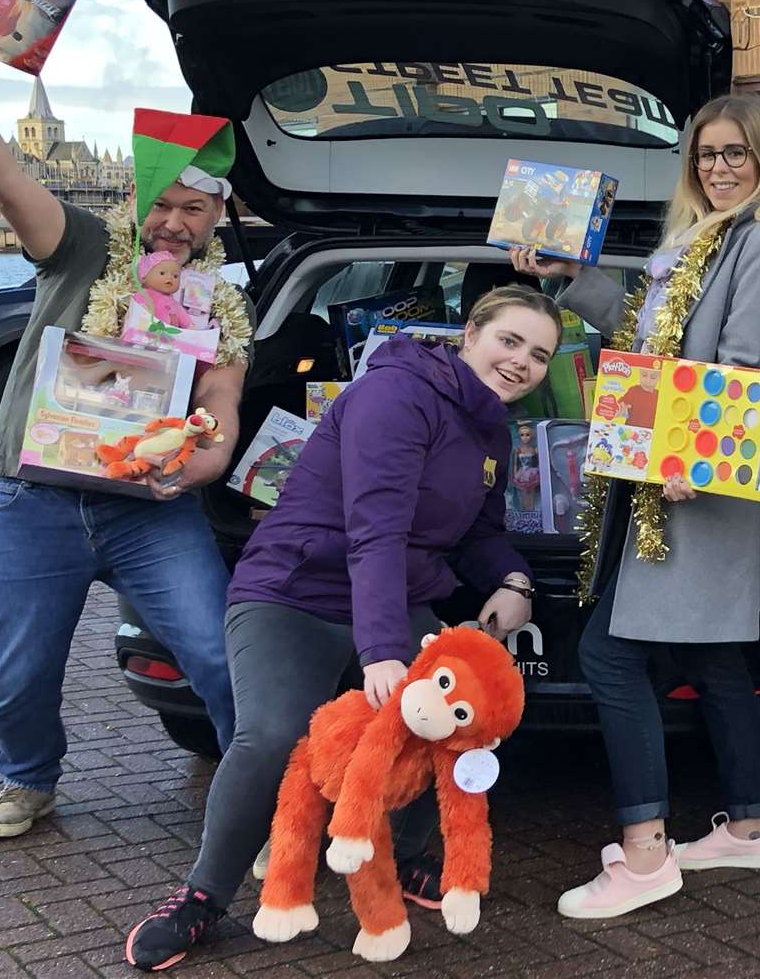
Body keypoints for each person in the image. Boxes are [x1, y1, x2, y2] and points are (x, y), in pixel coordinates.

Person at [123, 286, 558, 970]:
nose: (521, 362)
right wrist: (382, 650)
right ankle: (202, 897)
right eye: (510, 340)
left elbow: (479, 534)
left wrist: (513, 581)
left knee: (439, 723)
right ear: (468, 334)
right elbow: (376, 526)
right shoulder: (397, 394)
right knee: (269, 735)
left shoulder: (491, 429)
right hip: (295, 591)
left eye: (539, 355)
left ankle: (409, 859)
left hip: (393, 594)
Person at [0, 6, 252, 840]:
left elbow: (221, 401)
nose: (176, 223)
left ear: (218, 218)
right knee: (16, 672)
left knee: (219, 654)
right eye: (164, 203)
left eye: (197, 210)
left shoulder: (223, 300)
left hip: (150, 505)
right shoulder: (81, 247)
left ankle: (258, 794)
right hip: (35, 500)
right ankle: (28, 780)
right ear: (139, 197)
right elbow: (6, 179)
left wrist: (205, 462)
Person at [511, 94, 760, 920]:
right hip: (672, 475)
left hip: (703, 484)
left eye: (735, 154)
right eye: (707, 154)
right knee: (714, 659)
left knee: (610, 656)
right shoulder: (692, 244)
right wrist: (571, 278)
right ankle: (751, 827)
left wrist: (694, 461)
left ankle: (645, 856)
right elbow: (646, 340)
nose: (720, 167)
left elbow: (742, 369)